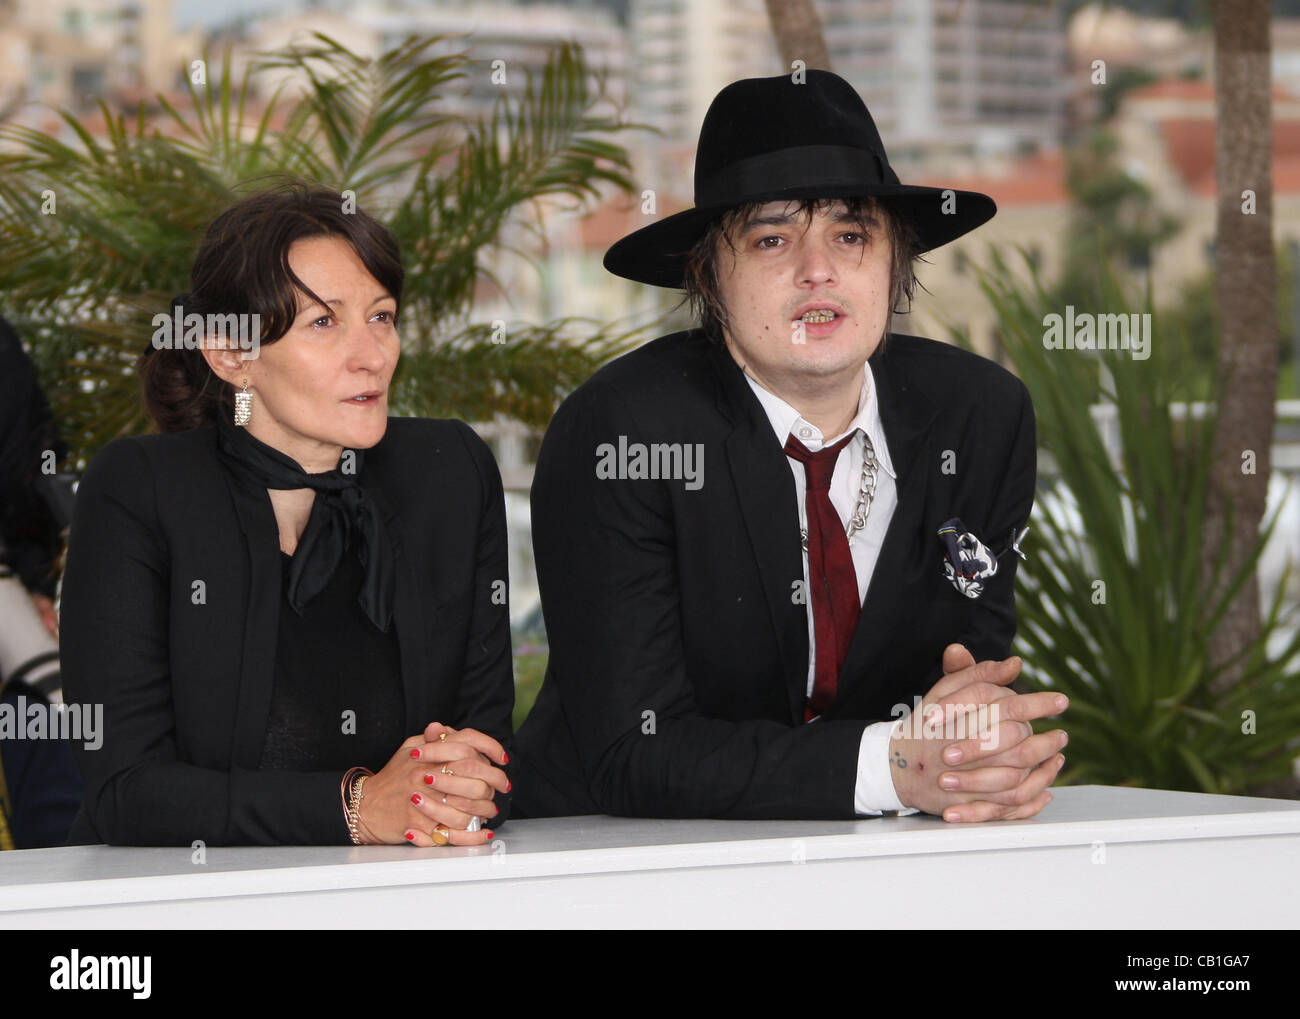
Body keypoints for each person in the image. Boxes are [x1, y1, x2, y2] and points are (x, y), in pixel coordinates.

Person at [515, 70, 1067, 822]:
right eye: (772, 238)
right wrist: (895, 766)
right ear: (708, 274)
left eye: (851, 234)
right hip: (615, 856)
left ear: (895, 261)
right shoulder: (624, 430)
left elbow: (969, 674)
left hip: (879, 857)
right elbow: (632, 752)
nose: (819, 271)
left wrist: (977, 747)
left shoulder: (981, 418)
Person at [59, 184, 513, 846]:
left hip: (411, 895)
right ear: (230, 355)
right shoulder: (141, 489)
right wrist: (356, 807)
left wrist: (460, 790)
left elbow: (488, 741)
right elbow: (126, 789)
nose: (372, 355)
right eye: (324, 322)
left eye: (381, 316)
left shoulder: (448, 471)